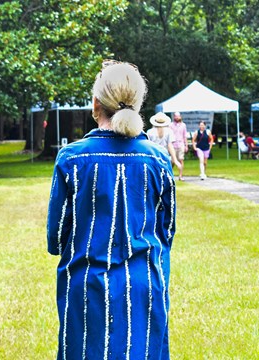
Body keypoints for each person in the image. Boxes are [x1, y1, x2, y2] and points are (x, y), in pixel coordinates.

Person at [47, 60, 175, 360]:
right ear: (138, 103)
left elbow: (56, 239)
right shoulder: (157, 160)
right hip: (144, 287)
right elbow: (167, 231)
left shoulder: (71, 159)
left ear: (95, 103)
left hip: (85, 287)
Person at [169, 111, 188, 180]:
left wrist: (186, 145)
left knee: (181, 159)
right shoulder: (170, 125)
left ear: (180, 117)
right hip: (173, 145)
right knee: (172, 161)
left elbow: (185, 136)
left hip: (181, 144)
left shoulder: (183, 125)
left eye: (178, 116)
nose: (177, 117)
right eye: (176, 116)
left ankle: (180, 175)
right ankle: (170, 174)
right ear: (174, 117)